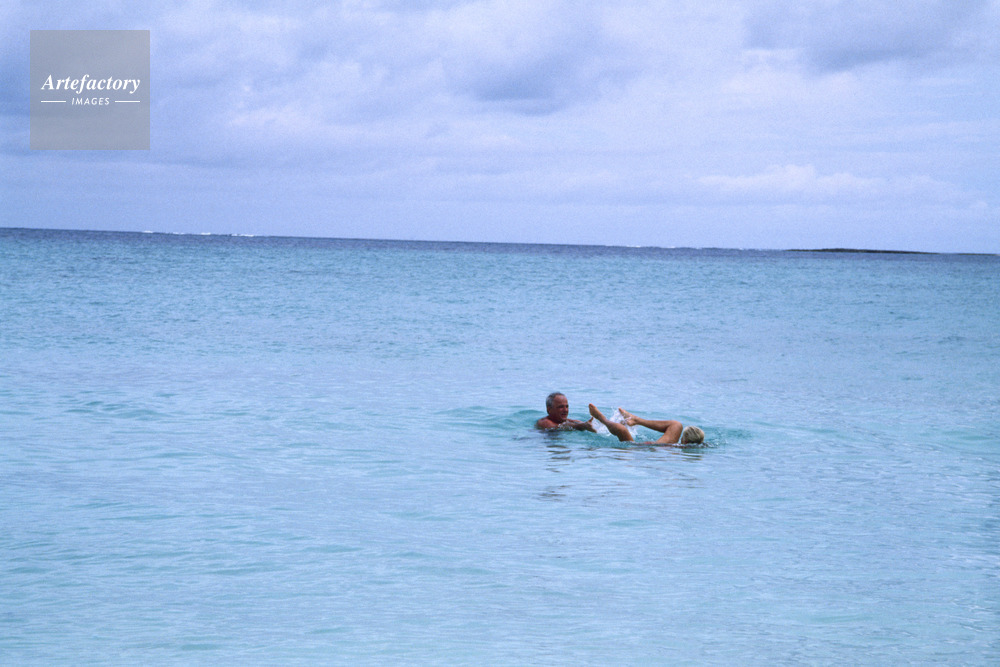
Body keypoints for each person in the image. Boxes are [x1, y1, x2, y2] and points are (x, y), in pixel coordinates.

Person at [588, 404, 705, 445]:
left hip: (641, 450)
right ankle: (636, 420)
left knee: (621, 429)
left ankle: (601, 418)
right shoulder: (698, 445)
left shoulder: (678, 449)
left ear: (685, 441)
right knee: (677, 425)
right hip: (660, 447)